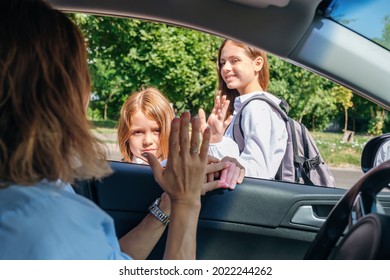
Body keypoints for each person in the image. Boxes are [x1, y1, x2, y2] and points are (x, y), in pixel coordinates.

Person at [0, 0, 207, 260]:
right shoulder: (49, 219)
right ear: (61, 98)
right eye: (82, 75)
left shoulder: (44, 196)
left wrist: (166, 205)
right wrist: (186, 202)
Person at [117, 87, 245, 191]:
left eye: (157, 130)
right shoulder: (118, 176)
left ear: (172, 130)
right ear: (125, 136)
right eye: (137, 132)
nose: (148, 140)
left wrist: (218, 147)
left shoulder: (187, 167)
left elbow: (210, 170)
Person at [199, 39, 288, 179]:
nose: (225, 68)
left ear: (257, 64)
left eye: (234, 60)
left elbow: (258, 172)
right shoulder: (244, 108)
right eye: (222, 63)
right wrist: (216, 140)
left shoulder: (257, 108)